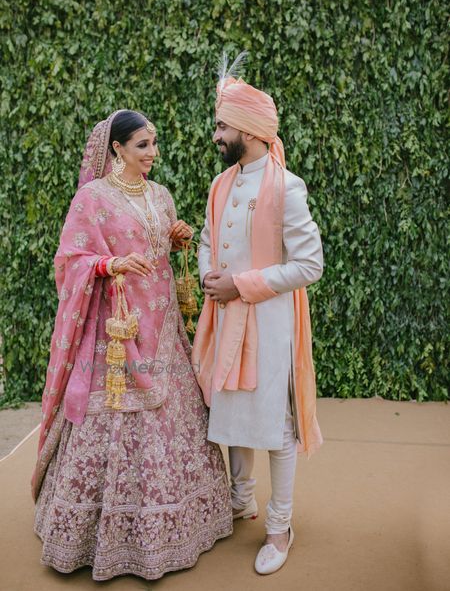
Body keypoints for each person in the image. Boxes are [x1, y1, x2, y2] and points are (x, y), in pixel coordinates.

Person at [31, 109, 233, 581]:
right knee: (119, 419)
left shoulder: (160, 195)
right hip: (117, 330)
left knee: (174, 413)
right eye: (143, 145)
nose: (153, 154)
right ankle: (102, 535)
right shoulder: (92, 198)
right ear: (116, 148)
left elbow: (159, 243)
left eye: (154, 143)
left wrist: (176, 236)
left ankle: (180, 522)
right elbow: (71, 260)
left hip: (162, 328)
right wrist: (108, 265)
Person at [192, 71, 323, 575]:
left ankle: (279, 526)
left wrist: (240, 284)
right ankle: (239, 501)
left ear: (247, 131)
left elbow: (310, 265)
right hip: (226, 321)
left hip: (268, 326)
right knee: (232, 417)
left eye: (222, 126)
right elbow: (208, 239)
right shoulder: (220, 183)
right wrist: (209, 274)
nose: (216, 135)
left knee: (274, 425)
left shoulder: (287, 187)